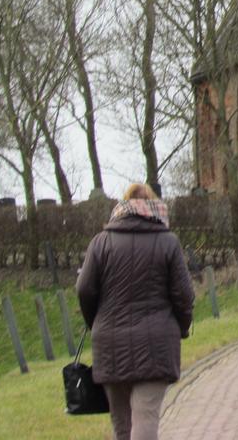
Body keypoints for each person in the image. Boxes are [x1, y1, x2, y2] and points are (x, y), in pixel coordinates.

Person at [77, 183, 194, 440]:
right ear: (154, 206)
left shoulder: (101, 243)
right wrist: (183, 327)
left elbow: (84, 289)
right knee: (146, 416)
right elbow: (184, 295)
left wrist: (94, 322)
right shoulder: (168, 242)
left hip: (110, 344)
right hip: (156, 345)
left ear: (122, 207)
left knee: (121, 425)